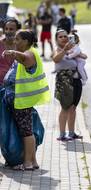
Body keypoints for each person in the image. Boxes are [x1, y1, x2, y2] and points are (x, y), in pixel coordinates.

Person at [2, 30, 50, 170]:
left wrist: (14, 53)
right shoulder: (25, 53)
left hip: (22, 102)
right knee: (26, 130)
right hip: (18, 101)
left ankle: (27, 163)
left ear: (26, 42)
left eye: (18, 39)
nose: (15, 41)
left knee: (26, 132)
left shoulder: (30, 53)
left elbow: (25, 58)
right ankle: (33, 161)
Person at [52, 29, 84, 141]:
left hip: (76, 80)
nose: (63, 38)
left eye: (65, 36)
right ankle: (62, 134)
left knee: (73, 108)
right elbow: (55, 59)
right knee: (65, 107)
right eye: (60, 37)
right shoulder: (58, 49)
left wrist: (75, 49)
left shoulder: (72, 48)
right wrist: (65, 50)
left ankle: (71, 133)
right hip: (64, 81)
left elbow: (83, 57)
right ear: (56, 39)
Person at [0, 18, 21, 87]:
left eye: (11, 29)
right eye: (6, 29)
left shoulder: (22, 46)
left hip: (17, 85)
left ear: (17, 31)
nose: (8, 31)